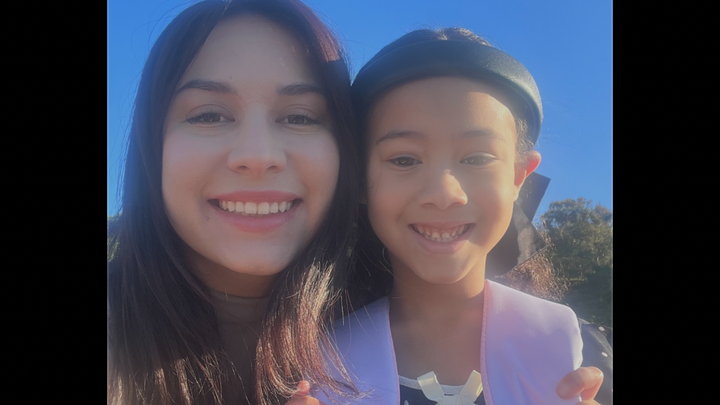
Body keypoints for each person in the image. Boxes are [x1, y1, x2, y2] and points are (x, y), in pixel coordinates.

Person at [310, 27, 612, 405]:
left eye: (477, 158)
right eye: (404, 159)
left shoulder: (579, 355)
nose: (444, 194)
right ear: (359, 179)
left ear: (519, 177)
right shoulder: (318, 364)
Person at [106, 1, 362, 404]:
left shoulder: (401, 328)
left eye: (299, 117)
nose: (258, 155)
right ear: (152, 146)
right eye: (209, 115)